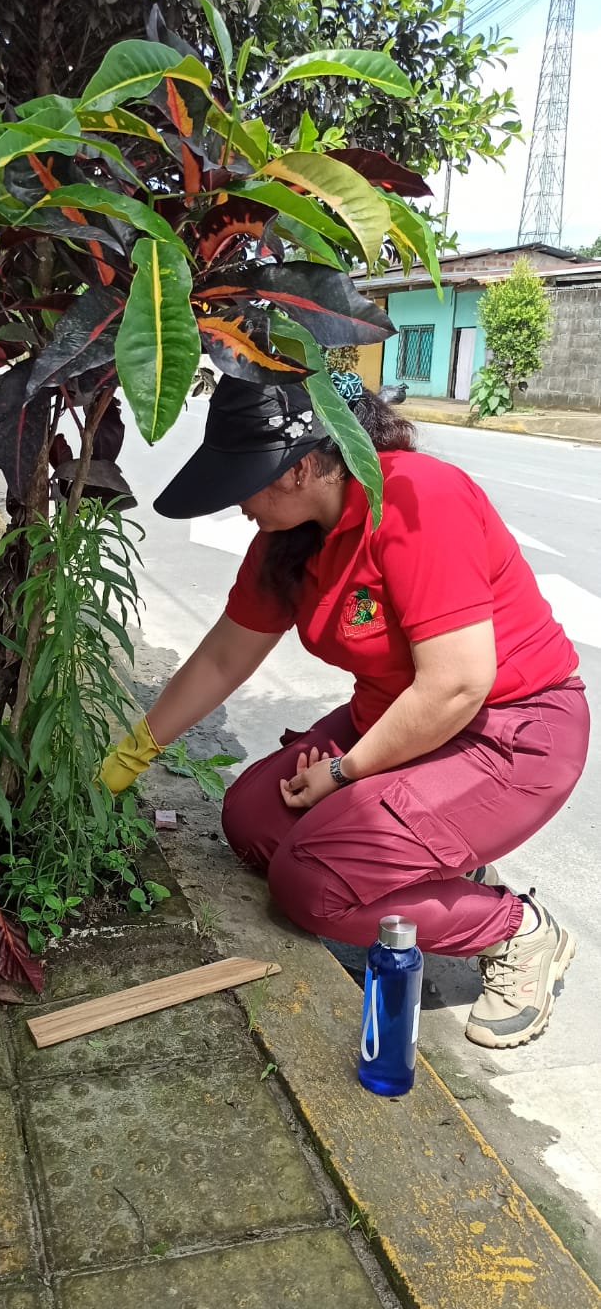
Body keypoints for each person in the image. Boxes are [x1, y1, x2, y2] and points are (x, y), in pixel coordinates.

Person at [101, 371, 589, 1050]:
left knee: (311, 888)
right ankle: (431, 861)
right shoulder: (291, 536)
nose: (236, 503)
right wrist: (129, 755)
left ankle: (515, 931)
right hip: (396, 722)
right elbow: (223, 657)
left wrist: (343, 773)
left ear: (299, 468)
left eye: (244, 481)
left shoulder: (417, 499)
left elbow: (456, 686)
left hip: (505, 735)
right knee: (252, 820)